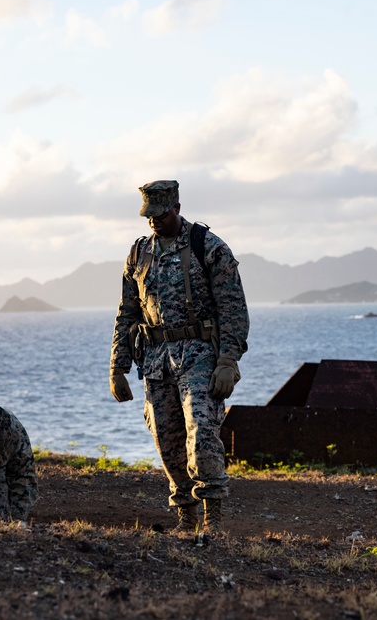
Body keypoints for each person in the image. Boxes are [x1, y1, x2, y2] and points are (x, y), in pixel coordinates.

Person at [110, 180, 249, 533]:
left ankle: (212, 516)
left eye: (160, 214)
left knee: (201, 432)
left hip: (200, 355)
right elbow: (127, 312)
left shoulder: (209, 247)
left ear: (176, 208)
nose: (153, 221)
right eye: (148, 216)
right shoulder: (139, 254)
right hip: (156, 360)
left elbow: (233, 309)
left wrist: (228, 362)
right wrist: (118, 367)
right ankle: (186, 517)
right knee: (166, 439)